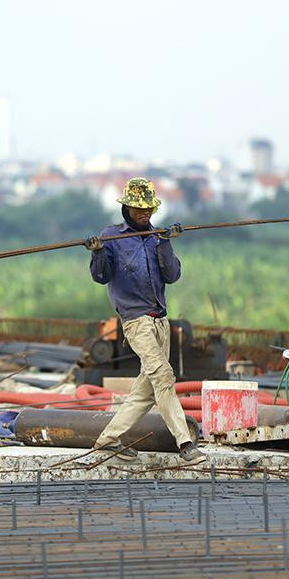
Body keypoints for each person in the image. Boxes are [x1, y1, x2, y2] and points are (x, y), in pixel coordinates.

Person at [85, 177, 207, 465]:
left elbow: (172, 276)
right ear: (126, 208)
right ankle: (185, 443)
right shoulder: (112, 237)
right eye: (139, 209)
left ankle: (108, 439)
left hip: (160, 322)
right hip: (136, 322)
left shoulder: (157, 237)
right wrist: (98, 252)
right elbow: (100, 276)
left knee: (147, 390)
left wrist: (165, 242)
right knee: (163, 377)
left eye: (149, 209)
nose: (145, 214)